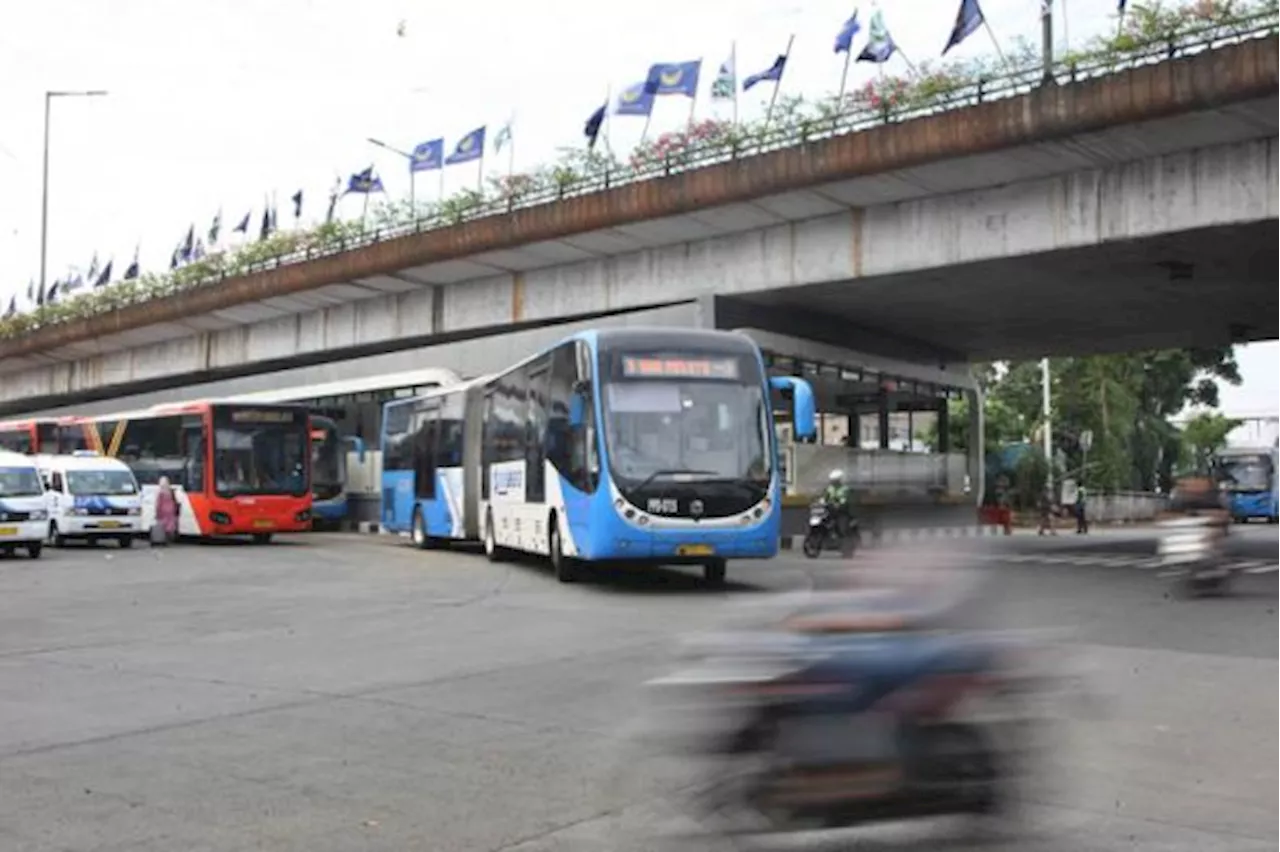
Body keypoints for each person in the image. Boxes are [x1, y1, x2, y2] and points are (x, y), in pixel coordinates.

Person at [823, 469, 853, 540]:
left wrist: (840, 504)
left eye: (835, 480)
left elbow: (844, 499)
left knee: (841, 526)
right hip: (830, 509)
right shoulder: (829, 488)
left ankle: (843, 539)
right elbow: (824, 497)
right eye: (832, 480)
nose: (833, 482)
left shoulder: (845, 489)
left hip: (841, 511)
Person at [153, 476, 179, 546]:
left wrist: (157, 512)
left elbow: (158, 503)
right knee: (170, 524)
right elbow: (174, 501)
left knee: (163, 525)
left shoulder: (160, 492)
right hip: (171, 509)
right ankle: (169, 539)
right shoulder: (170, 491)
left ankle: (164, 540)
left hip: (163, 510)